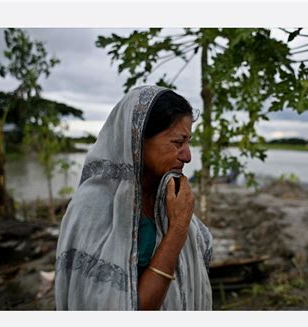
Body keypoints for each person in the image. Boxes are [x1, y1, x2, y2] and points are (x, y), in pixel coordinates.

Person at [55, 85, 213, 310]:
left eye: (188, 142)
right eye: (177, 143)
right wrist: (177, 230)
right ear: (137, 140)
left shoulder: (165, 196)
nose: (187, 156)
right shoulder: (92, 206)